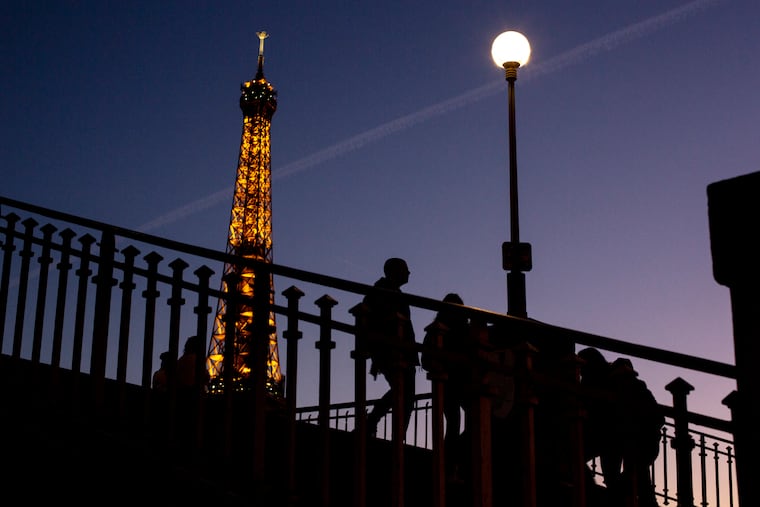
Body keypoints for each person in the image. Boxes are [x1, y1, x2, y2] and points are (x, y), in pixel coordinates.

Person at [578, 348, 664, 507]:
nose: (582, 374)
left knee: (631, 479)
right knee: (633, 481)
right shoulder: (600, 381)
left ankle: (609, 496)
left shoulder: (617, 380)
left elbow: (652, 416)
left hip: (631, 436)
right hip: (619, 437)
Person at [363, 257, 419, 439]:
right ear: (395, 271)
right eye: (405, 269)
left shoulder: (388, 292)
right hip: (394, 351)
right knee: (405, 393)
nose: (409, 272)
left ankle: (377, 423)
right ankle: (385, 427)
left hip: (399, 351)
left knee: (404, 393)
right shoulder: (383, 292)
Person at [421, 293, 471, 478]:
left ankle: (448, 463)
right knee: (467, 420)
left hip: (448, 383)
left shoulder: (436, 330)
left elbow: (425, 359)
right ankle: (453, 462)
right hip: (461, 382)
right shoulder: (465, 329)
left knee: (453, 424)